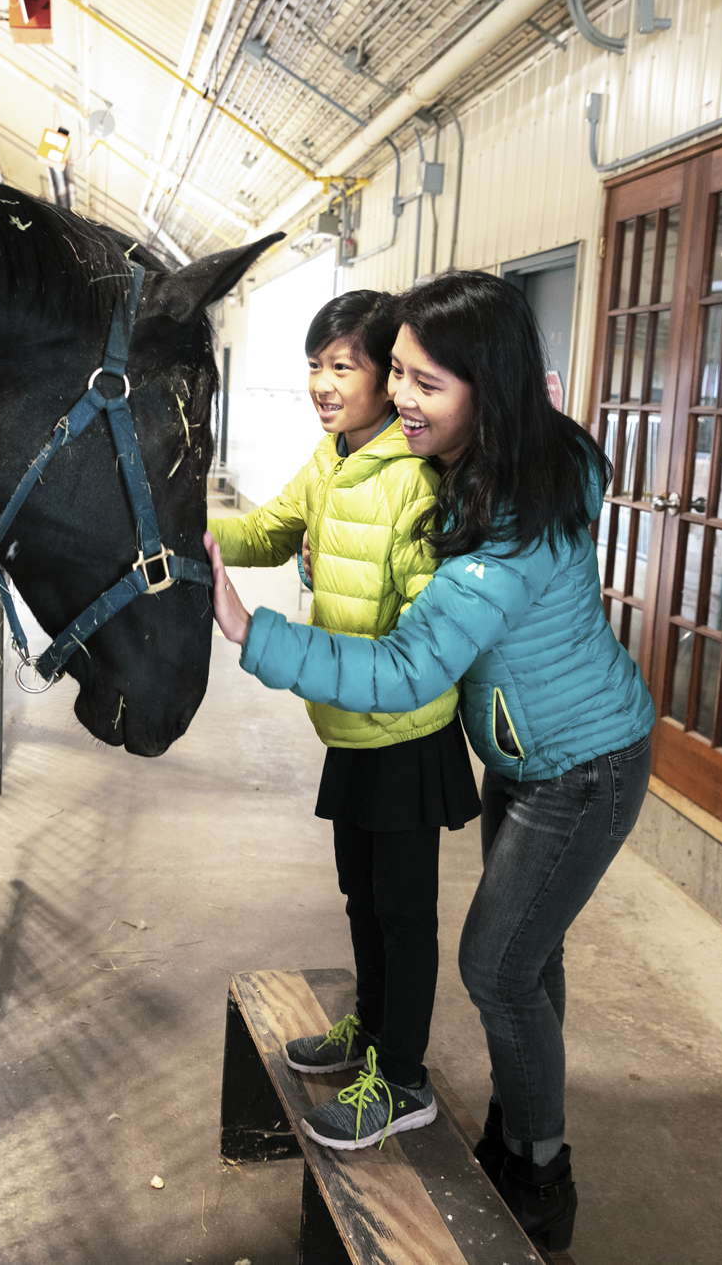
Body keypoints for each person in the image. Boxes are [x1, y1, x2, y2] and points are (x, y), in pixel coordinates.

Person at [205, 270, 654, 1252]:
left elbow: (412, 666)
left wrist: (252, 630)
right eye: (396, 372)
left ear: (484, 390)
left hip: (586, 763)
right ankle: (516, 1122)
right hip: (526, 754)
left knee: (495, 965)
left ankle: (540, 1169)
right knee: (530, 958)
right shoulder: (474, 466)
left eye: (425, 382)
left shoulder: (513, 528)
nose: (398, 396)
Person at [207, 288, 479, 1152]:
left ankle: (403, 1081)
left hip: (406, 733)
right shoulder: (331, 458)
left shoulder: (414, 483)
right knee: (360, 896)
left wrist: (264, 629)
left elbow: (421, 641)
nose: (324, 385)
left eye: (344, 367)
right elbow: (268, 530)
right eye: (314, 368)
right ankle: (369, 1029)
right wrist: (189, 528)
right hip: (349, 726)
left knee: (404, 913)